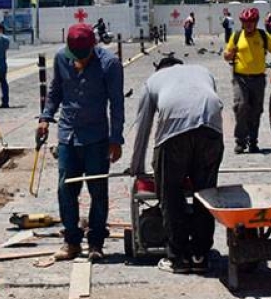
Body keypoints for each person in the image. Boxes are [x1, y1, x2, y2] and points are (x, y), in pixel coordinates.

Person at [38, 24, 124, 262]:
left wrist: (116, 139)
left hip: (96, 138)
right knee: (65, 190)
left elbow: (117, 103)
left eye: (82, 58)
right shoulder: (61, 58)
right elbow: (55, 91)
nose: (77, 62)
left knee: (98, 191)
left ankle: (96, 242)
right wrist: (46, 117)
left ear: (93, 48)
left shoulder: (109, 64)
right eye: (74, 57)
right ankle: (71, 241)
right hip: (68, 134)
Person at [129, 55, 223, 274]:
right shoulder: (202, 71)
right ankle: (200, 256)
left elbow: (143, 128)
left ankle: (178, 257)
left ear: (159, 69)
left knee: (170, 193)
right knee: (206, 193)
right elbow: (212, 105)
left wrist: (137, 168)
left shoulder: (153, 81)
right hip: (211, 133)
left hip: (173, 138)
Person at [223, 8, 271, 154]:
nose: (248, 25)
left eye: (251, 22)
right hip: (240, 78)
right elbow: (227, 55)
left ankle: (253, 141)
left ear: (255, 22)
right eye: (245, 22)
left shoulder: (262, 36)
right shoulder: (236, 36)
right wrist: (230, 54)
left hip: (258, 79)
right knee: (241, 107)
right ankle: (240, 141)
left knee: (256, 110)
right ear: (242, 22)